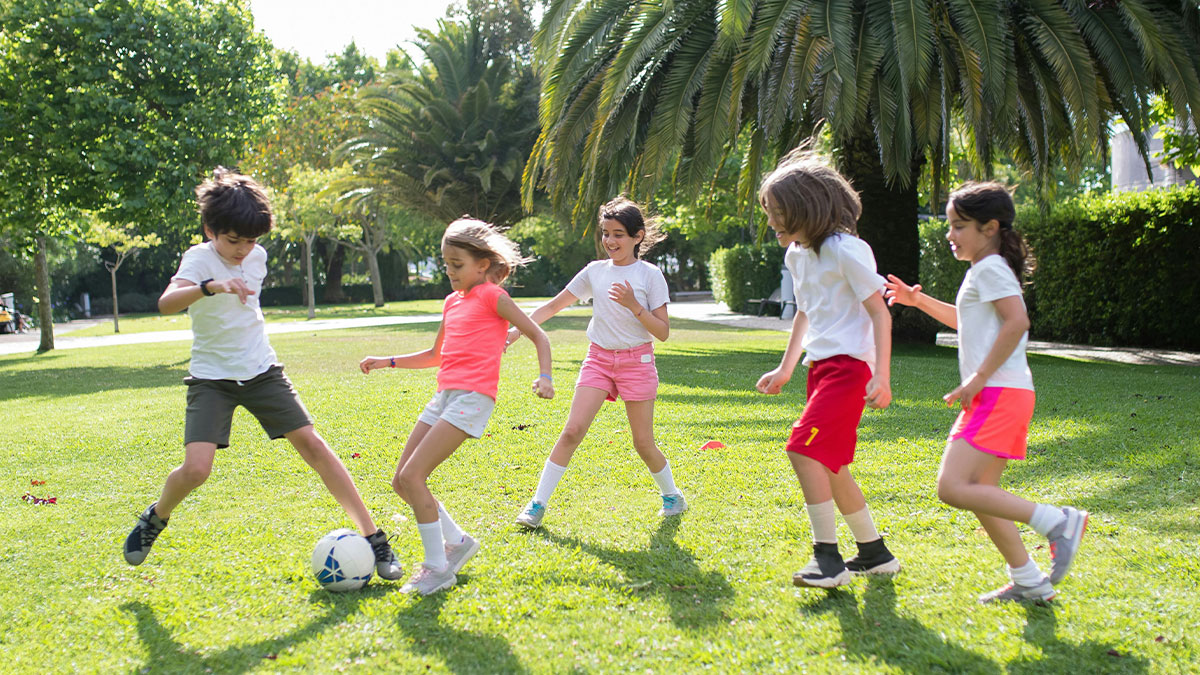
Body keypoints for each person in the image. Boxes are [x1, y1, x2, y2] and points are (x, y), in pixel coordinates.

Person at [124, 168, 402, 582]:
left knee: (313, 445)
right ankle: (155, 517)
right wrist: (210, 287)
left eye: (251, 240)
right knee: (197, 469)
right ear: (210, 229)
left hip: (261, 370)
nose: (242, 250)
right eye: (233, 240)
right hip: (211, 379)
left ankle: (375, 538)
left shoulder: (257, 256)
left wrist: (240, 276)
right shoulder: (198, 259)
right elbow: (166, 303)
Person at [883, 182, 1088, 603]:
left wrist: (977, 377)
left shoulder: (990, 268)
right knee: (982, 494)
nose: (950, 234)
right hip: (1002, 394)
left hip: (997, 393)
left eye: (959, 226)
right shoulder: (984, 270)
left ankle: (1057, 522)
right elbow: (969, 321)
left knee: (953, 487)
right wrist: (916, 302)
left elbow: (1017, 322)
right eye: (949, 226)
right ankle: (1029, 580)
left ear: (990, 227)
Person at [359, 218, 555, 595]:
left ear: (482, 264)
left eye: (457, 264)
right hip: (444, 396)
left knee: (413, 477)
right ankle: (458, 543)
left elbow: (538, 334)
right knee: (402, 480)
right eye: (446, 263)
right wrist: (388, 360)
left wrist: (545, 377)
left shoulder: (493, 296)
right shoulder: (452, 302)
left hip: (473, 398)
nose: (449, 271)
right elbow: (436, 355)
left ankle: (437, 567)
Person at [754, 153, 899, 588]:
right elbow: (805, 312)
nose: (774, 223)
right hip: (821, 368)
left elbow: (880, 314)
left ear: (809, 208)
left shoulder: (846, 251)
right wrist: (785, 368)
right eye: (770, 214)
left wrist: (882, 375)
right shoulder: (798, 256)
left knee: (803, 449)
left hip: (850, 369)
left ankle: (827, 559)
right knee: (832, 465)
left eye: (780, 214)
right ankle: (875, 554)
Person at [510, 197, 685, 530]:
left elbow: (662, 332)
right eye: (606, 233)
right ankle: (537, 504)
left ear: (638, 236)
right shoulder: (594, 272)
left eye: (618, 234)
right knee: (572, 431)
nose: (610, 241)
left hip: (638, 361)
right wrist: (517, 332)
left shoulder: (650, 275)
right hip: (599, 358)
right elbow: (551, 307)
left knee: (643, 443)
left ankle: (672, 496)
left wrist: (634, 305)